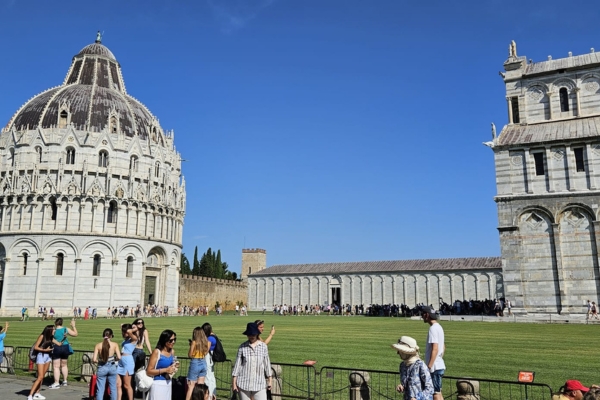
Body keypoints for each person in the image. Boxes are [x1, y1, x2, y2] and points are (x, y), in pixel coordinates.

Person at [232, 322, 272, 400]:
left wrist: (270, 380)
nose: (251, 336)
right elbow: (237, 366)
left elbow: (267, 364)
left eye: (253, 334)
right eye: (249, 334)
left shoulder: (263, 347)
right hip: (243, 383)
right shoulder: (242, 347)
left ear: (257, 334)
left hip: (259, 384)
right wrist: (234, 383)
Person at [391, 336, 434, 400]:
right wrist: (402, 387)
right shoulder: (402, 366)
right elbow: (407, 385)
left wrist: (417, 398)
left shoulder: (420, 365)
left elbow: (430, 388)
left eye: (400, 351)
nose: (397, 353)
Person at [146, 329, 178, 400]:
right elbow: (149, 371)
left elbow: (170, 367)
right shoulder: (157, 352)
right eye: (170, 340)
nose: (173, 342)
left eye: (174, 339)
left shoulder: (172, 352)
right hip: (158, 384)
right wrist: (165, 370)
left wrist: (174, 367)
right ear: (164, 340)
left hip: (168, 383)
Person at [421, 306, 445, 400]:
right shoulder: (439, 327)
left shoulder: (433, 329)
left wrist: (429, 367)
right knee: (438, 392)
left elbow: (434, 348)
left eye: (423, 314)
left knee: (435, 394)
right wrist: (440, 357)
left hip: (434, 367)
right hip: (439, 364)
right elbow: (443, 346)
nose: (422, 317)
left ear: (427, 315)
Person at [92, 328, 121, 400]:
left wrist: (100, 361)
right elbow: (119, 357)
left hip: (102, 366)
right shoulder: (115, 344)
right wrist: (114, 359)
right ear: (111, 336)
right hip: (112, 366)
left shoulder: (98, 345)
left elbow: (94, 359)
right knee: (113, 388)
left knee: (100, 389)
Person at [49, 318, 78, 389]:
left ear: (55, 323)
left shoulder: (54, 330)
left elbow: (50, 338)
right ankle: (65, 381)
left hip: (56, 347)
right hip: (65, 347)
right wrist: (73, 326)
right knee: (64, 365)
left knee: (56, 366)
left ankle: (56, 382)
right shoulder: (65, 329)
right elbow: (75, 334)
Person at [28, 325, 55, 400]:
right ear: (49, 330)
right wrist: (44, 350)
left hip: (48, 357)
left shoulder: (51, 337)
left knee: (42, 376)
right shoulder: (42, 336)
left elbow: (58, 343)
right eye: (53, 329)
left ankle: (37, 393)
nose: (54, 331)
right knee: (40, 377)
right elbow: (36, 347)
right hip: (41, 356)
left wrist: (64, 337)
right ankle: (30, 395)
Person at [186, 327, 211, 400]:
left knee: (191, 386)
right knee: (201, 386)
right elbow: (206, 353)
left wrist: (191, 346)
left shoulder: (194, 342)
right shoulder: (206, 342)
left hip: (195, 362)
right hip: (203, 362)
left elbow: (190, 355)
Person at [116, 323, 138, 400]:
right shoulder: (126, 340)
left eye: (124, 331)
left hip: (127, 362)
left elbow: (129, 331)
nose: (124, 333)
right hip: (121, 361)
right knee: (118, 384)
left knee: (126, 385)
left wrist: (133, 329)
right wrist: (122, 327)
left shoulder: (133, 339)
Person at [201, 323, 217, 399]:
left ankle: (209, 395)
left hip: (208, 357)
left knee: (207, 377)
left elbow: (206, 349)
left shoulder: (210, 338)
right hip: (210, 357)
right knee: (211, 376)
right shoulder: (213, 336)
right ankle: (212, 394)